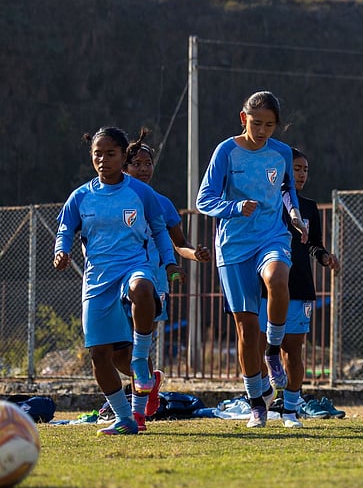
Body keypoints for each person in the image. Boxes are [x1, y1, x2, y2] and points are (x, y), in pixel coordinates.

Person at [54, 126, 176, 435]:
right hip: (97, 280)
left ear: (123, 157)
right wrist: (61, 251)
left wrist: (171, 262)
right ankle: (125, 418)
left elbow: (160, 229)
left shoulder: (140, 192)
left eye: (110, 154)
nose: (103, 160)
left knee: (142, 288)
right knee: (100, 355)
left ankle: (140, 361)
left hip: (134, 267)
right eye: (98, 154)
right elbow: (66, 230)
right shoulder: (80, 196)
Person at [197, 91, 306, 428]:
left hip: (271, 236)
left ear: (278, 125)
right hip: (233, 246)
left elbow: (288, 188)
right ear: (243, 119)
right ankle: (256, 402)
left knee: (277, 279)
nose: (262, 130)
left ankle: (273, 349)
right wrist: (233, 208)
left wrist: (295, 215)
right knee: (245, 330)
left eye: (269, 125)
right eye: (256, 123)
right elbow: (204, 199)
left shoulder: (282, 153)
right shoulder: (225, 151)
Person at [123, 130, 212, 429]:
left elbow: (178, 244)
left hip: (152, 281)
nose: (145, 168)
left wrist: (193, 255)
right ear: (124, 166)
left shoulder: (161, 202)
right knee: (116, 348)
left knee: (139, 342)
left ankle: (137, 411)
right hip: (115, 277)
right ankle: (148, 383)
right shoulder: (108, 198)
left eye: (149, 163)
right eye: (138, 163)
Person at [257, 148, 342, 428]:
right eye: (296, 168)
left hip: (300, 286)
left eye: (305, 169)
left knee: (293, 350)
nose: (302, 174)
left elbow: (314, 243)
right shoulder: (266, 204)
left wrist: (324, 256)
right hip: (264, 288)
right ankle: (263, 397)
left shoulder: (308, 207)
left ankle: (291, 411)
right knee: (259, 347)